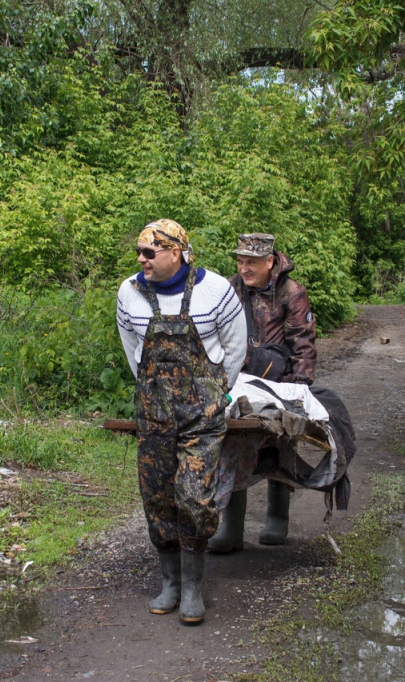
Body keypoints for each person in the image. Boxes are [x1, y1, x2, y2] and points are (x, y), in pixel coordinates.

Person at [116, 218, 246, 625]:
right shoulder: (129, 292)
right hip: (153, 418)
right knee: (157, 499)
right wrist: (152, 395)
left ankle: (192, 588)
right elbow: (132, 348)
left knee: (193, 497)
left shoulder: (216, 291)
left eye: (149, 253)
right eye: (139, 253)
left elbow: (237, 345)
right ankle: (169, 583)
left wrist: (218, 395)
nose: (142, 260)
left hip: (201, 421)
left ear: (176, 253)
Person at [208, 232, 318, 553]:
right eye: (240, 261)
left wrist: (298, 394)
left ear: (270, 262)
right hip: (237, 382)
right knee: (230, 442)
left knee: (278, 444)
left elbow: (303, 345)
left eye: (251, 262)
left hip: (278, 383)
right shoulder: (230, 288)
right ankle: (231, 528)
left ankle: (277, 516)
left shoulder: (292, 293)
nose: (244, 268)